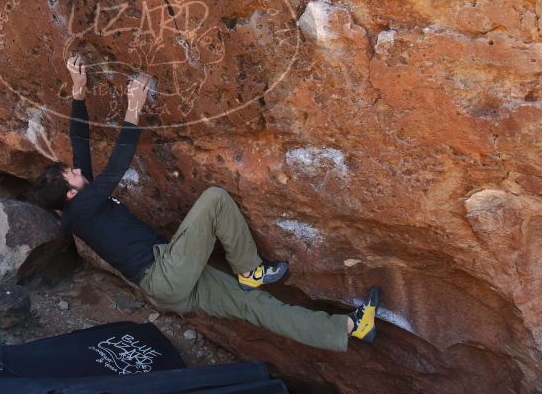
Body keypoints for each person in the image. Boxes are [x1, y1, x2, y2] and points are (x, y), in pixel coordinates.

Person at [31, 54, 381, 353]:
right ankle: (249, 269)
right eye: (72, 174)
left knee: (252, 304)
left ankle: (350, 327)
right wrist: (133, 109)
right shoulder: (80, 211)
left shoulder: (79, 204)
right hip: (164, 274)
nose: (78, 169)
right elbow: (117, 166)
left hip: (169, 283)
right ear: (71, 194)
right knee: (214, 199)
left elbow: (80, 141)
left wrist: (78, 88)